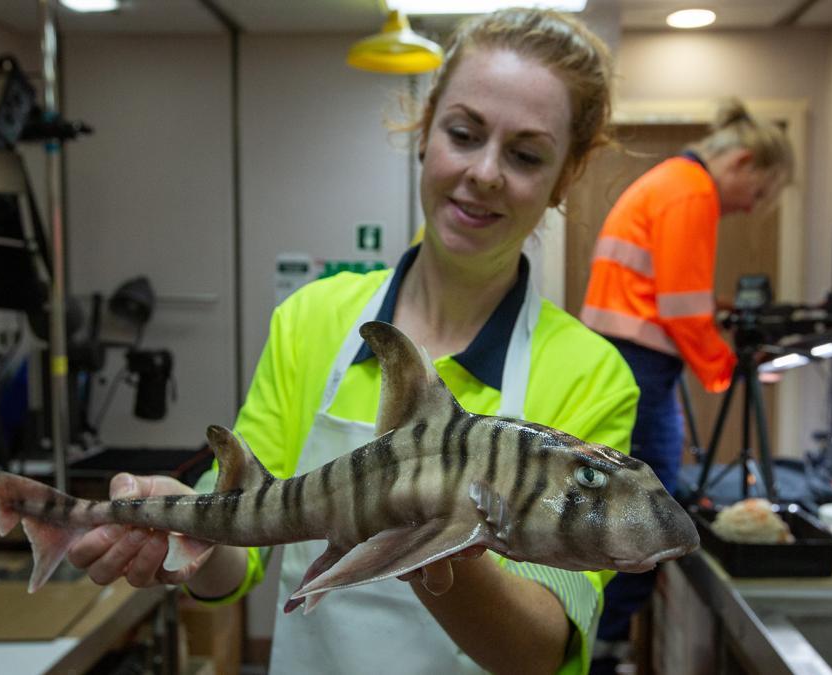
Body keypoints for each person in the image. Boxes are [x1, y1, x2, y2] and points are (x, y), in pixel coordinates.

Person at [67, 9, 641, 675]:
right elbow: (236, 560)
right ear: (426, 133)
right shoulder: (313, 319)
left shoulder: (591, 374)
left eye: (525, 154)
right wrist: (184, 532)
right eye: (464, 133)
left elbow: (541, 652)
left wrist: (430, 536)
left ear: (564, 179)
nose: (484, 172)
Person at [579, 98, 793, 670]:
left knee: (625, 506)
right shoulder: (691, 190)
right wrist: (729, 369)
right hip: (642, 363)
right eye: (758, 193)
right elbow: (680, 308)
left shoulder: (669, 181)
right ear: (743, 161)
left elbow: (667, 293)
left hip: (626, 357)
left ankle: (603, 643)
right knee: (649, 513)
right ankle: (604, 651)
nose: (749, 208)